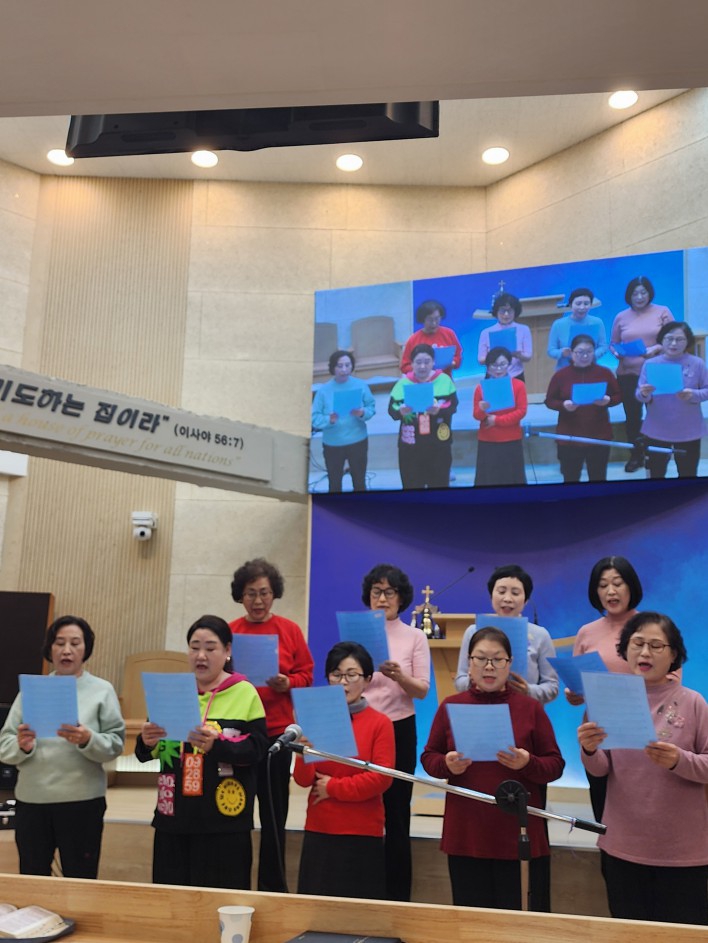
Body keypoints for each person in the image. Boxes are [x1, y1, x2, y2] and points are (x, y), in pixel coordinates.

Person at [578, 612, 708, 925]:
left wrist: (678, 760)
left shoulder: (693, 702)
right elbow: (600, 770)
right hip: (623, 844)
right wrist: (589, 749)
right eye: (637, 644)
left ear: (674, 654)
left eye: (656, 645)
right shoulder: (607, 700)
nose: (645, 652)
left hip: (683, 852)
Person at [422, 626, 564, 911]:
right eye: (481, 658)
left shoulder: (530, 708)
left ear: (509, 664)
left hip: (515, 831)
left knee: (516, 920)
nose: (489, 667)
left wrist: (528, 763)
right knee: (471, 918)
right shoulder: (451, 705)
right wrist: (447, 764)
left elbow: (555, 765)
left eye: (498, 659)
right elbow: (429, 758)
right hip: (467, 831)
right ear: (469, 663)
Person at [135, 615, 268, 889]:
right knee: (172, 901)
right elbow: (151, 752)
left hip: (224, 822)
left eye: (210, 648)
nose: (201, 656)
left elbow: (257, 749)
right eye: (194, 647)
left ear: (227, 651)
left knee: (223, 901)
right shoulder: (171, 692)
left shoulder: (245, 693)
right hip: (173, 818)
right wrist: (147, 742)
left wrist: (218, 746)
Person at [0, 615, 125, 878]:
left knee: (80, 879)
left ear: (86, 649)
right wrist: (23, 746)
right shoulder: (31, 691)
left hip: (82, 802)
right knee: (33, 878)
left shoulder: (102, 690)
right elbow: (5, 745)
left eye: (75, 643)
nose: (66, 650)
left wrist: (88, 739)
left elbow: (115, 745)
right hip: (33, 801)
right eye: (59, 643)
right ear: (50, 648)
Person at [229, 558, 314, 892]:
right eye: (251, 593)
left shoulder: (289, 630)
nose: (258, 600)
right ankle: (234, 883)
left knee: (274, 814)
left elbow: (307, 675)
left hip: (277, 733)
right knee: (235, 810)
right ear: (240, 596)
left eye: (264, 592)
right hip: (237, 732)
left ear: (274, 593)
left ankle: (273, 888)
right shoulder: (229, 631)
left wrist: (287, 682)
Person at [294, 641, 395, 900]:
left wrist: (333, 787)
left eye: (352, 675)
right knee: (317, 909)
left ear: (368, 679)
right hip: (320, 827)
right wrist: (302, 754)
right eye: (336, 674)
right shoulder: (315, 718)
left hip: (362, 831)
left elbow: (381, 778)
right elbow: (303, 781)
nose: (343, 682)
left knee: (357, 911)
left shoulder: (380, 723)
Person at [361, 563, 430, 901]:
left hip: (399, 727)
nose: (383, 598)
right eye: (377, 591)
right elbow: (341, 680)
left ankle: (398, 896)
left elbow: (422, 690)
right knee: (362, 806)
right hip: (362, 725)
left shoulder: (415, 636)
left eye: (389, 592)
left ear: (401, 597)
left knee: (397, 810)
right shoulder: (357, 633)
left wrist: (399, 676)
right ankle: (364, 887)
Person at [566, 555, 643, 821]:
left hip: (640, 731)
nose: (610, 591)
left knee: (640, 811)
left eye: (617, 583)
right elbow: (577, 688)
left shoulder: (651, 626)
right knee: (603, 813)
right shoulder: (586, 632)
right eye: (603, 585)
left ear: (631, 586)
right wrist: (574, 693)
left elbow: (671, 680)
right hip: (597, 733)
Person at [454, 564, 558, 704]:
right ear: (491, 596)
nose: (507, 598)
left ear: (526, 600)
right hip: (481, 709)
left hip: (524, 710)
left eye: (515, 593)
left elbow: (552, 687)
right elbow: (459, 681)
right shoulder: (473, 632)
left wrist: (529, 691)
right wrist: (471, 681)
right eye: (501, 591)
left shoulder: (540, 635)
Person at [610, 276, 674, 472]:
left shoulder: (662, 311)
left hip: (657, 371)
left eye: (643, 292)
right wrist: (616, 352)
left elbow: (674, 337)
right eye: (635, 293)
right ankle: (636, 455)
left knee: (658, 414)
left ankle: (658, 454)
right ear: (629, 296)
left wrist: (656, 348)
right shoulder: (621, 316)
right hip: (628, 373)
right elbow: (614, 343)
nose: (639, 297)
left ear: (649, 293)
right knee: (632, 416)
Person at [544, 334, 622, 483]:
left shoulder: (604, 373)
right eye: (580, 352)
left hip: (599, 434)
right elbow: (549, 401)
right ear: (571, 353)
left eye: (589, 352)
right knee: (570, 478)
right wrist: (563, 405)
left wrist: (608, 401)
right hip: (569, 436)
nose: (585, 356)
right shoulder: (561, 375)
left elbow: (618, 395)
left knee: (598, 477)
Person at [636, 321, 708, 479]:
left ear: (688, 341)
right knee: (656, 475)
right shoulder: (650, 364)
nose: (674, 343)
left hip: (688, 430)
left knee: (688, 475)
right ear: (661, 340)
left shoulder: (697, 363)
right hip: (657, 429)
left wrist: (694, 395)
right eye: (669, 338)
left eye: (679, 339)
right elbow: (640, 395)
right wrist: (644, 393)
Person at [388, 343, 458, 490]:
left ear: (433, 362)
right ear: (411, 363)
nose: (422, 366)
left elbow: (453, 406)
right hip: (411, 447)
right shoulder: (403, 384)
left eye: (427, 362)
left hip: (439, 445)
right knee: (412, 486)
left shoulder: (444, 380)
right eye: (418, 362)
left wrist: (439, 411)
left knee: (439, 486)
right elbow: (392, 411)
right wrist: (401, 412)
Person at [311, 349, 376, 492]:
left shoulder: (360, 385)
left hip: (357, 440)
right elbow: (314, 418)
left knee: (359, 483)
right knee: (334, 484)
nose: (344, 370)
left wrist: (362, 413)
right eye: (340, 366)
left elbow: (371, 408)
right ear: (333, 368)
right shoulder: (323, 391)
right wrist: (329, 419)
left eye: (347, 365)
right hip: (333, 443)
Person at [473, 346, 527, 486]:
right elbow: (476, 415)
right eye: (494, 365)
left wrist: (497, 420)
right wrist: (482, 410)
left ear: (509, 365)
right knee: (488, 481)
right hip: (488, 440)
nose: (498, 369)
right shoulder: (480, 388)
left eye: (502, 364)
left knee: (512, 480)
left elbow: (521, 411)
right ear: (488, 367)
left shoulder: (518, 385)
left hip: (511, 439)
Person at [547, 287, 608, 370]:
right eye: (578, 304)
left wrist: (591, 355)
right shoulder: (558, 324)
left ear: (590, 305)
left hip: (590, 369)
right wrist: (561, 353)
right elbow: (551, 350)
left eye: (586, 304)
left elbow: (603, 347)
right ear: (571, 305)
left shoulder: (597, 322)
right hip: (565, 370)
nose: (582, 307)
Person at [400, 299, 463, 376]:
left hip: (444, 379)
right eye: (430, 320)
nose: (434, 323)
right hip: (422, 380)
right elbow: (404, 366)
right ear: (422, 319)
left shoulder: (449, 334)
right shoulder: (414, 339)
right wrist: (421, 368)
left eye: (437, 318)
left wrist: (453, 363)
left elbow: (458, 356)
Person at [477, 292, 532, 382]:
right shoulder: (486, 332)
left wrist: (517, 355)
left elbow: (528, 356)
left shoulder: (524, 329)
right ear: (496, 312)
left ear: (515, 312)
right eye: (502, 311)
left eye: (510, 311)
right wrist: (493, 356)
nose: (506, 315)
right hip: (493, 376)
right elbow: (481, 360)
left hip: (516, 375)